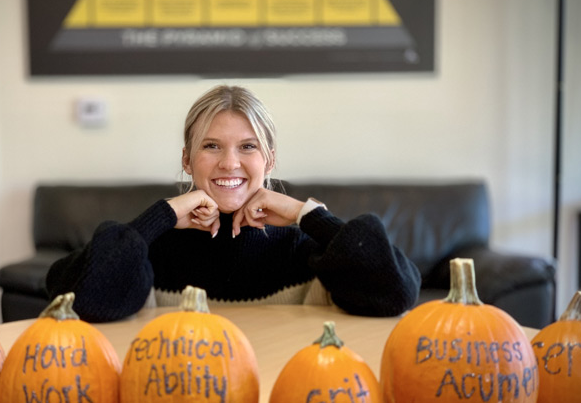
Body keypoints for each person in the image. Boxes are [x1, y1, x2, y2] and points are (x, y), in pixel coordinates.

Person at [46, 85, 421, 322]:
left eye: (248, 147)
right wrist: (160, 216)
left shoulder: (304, 249)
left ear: (269, 161)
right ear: (187, 160)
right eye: (211, 146)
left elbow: (396, 293)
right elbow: (76, 300)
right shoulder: (150, 249)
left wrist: (305, 215)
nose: (229, 163)